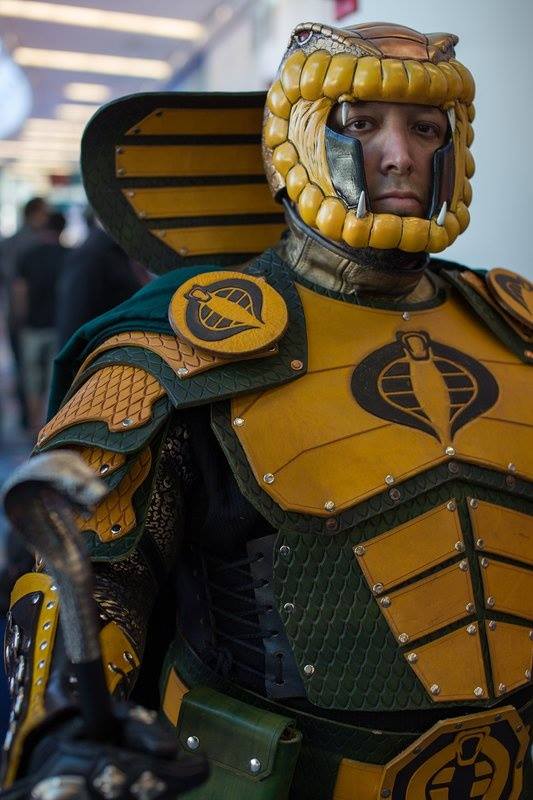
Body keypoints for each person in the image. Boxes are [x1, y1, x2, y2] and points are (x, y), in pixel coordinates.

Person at [2, 21, 532, 800]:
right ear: (294, 143)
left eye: (426, 128)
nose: (400, 156)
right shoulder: (175, 343)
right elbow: (88, 573)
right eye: (360, 124)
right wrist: (67, 729)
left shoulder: (511, 324)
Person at [12, 212, 67, 433]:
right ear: (62, 230)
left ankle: (35, 427)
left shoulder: (28, 255)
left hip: (32, 328)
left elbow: (20, 291)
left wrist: (20, 319)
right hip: (58, 326)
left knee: (33, 381)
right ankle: (51, 429)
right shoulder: (69, 256)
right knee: (55, 381)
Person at [0, 197, 50, 429]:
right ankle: (35, 422)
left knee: (24, 369)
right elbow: (19, 285)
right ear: (34, 214)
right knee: (36, 373)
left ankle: (26, 419)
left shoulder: (9, 243)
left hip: (15, 316)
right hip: (31, 319)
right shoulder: (35, 243)